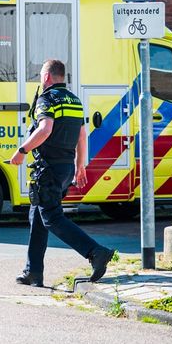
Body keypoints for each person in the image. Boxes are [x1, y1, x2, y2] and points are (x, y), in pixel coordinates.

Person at [10, 59, 114, 286]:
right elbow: (82, 136)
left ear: (47, 77)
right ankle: (33, 272)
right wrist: (79, 166)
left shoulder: (46, 99)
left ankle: (95, 252)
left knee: (52, 217)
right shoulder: (75, 101)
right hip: (65, 168)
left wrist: (22, 150)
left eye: (40, 76)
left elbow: (45, 128)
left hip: (48, 169)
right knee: (37, 217)